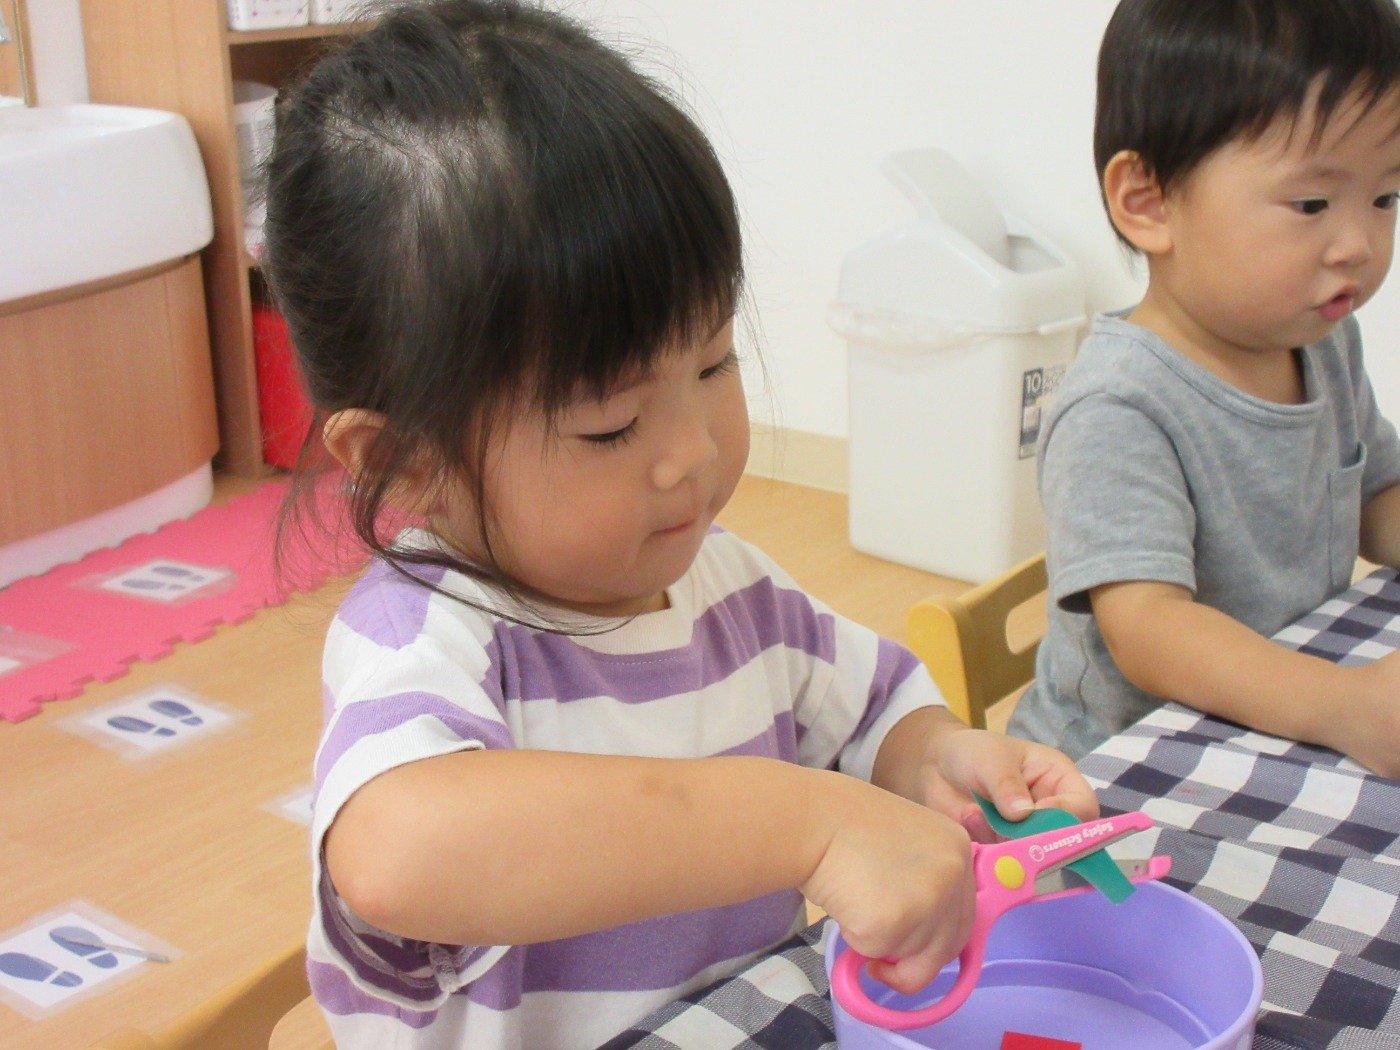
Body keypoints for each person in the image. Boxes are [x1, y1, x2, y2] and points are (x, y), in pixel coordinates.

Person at [261, 2, 1097, 1046]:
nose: (693, 449)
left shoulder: (736, 593)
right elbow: (396, 853)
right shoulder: (426, 636)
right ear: (405, 463)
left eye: (712, 362)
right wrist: (805, 821)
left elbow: (876, 714)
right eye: (610, 425)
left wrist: (943, 766)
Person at [1010, 0, 1400, 773]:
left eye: (1386, 198)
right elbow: (1149, 628)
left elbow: (1377, 493)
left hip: (1273, 719)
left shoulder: (1321, 341)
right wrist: (1340, 704)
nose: (1358, 244)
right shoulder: (1119, 405)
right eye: (1312, 204)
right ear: (1148, 202)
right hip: (1117, 770)